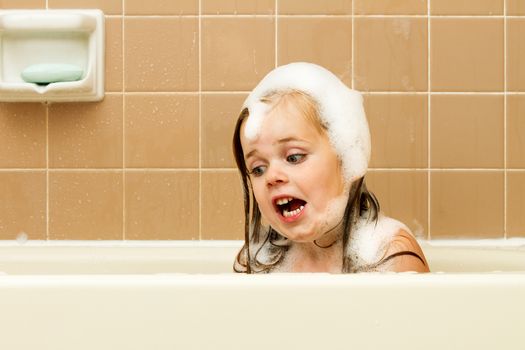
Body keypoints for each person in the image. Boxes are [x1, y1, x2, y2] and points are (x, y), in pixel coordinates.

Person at [232, 62, 428, 273]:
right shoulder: (256, 261)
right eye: (258, 169)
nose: (272, 176)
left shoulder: (388, 256)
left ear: (345, 157)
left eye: (294, 157)